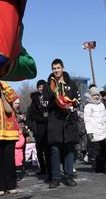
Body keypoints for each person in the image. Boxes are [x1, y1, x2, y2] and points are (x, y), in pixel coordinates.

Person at [43, 59, 80, 188]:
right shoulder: (48, 86)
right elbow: (46, 102)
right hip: (54, 120)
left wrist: (71, 104)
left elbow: (77, 100)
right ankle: (55, 177)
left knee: (69, 149)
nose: (56, 70)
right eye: (54, 68)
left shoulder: (71, 84)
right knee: (55, 149)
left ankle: (69, 176)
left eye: (58, 68)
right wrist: (57, 101)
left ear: (62, 68)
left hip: (68, 121)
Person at [84, 86, 106, 173]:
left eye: (97, 95)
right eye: (94, 95)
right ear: (90, 96)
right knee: (95, 151)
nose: (96, 97)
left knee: (104, 150)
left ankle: (104, 165)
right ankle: (95, 167)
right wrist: (89, 132)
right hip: (94, 132)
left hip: (103, 132)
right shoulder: (88, 106)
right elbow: (87, 120)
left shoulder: (101, 105)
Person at [27, 80, 51, 180]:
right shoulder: (35, 100)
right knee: (40, 150)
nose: (41, 88)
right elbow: (31, 115)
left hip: (51, 127)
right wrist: (41, 118)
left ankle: (52, 169)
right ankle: (43, 169)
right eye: (39, 86)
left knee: (50, 150)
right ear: (37, 88)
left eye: (43, 86)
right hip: (39, 129)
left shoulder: (51, 97)